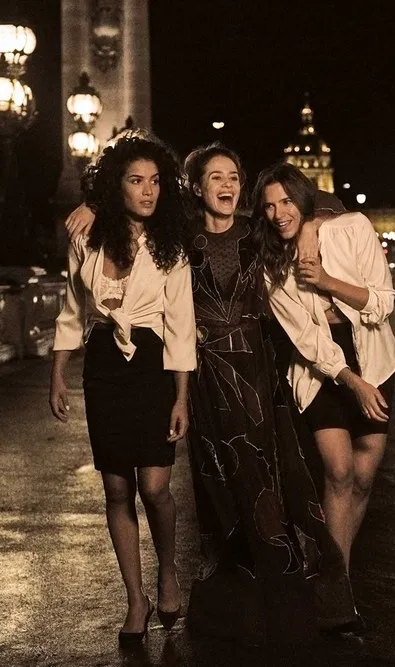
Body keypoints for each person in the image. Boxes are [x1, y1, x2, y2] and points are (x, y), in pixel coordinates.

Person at [62, 142, 358, 644]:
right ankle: (236, 611)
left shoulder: (258, 231)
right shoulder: (177, 236)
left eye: (234, 176)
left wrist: (309, 224)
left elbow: (326, 209)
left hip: (258, 378)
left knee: (274, 487)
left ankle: (300, 604)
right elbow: (130, 199)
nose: (227, 185)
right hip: (203, 382)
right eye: (215, 177)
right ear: (196, 187)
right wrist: (93, 203)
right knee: (219, 493)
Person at [50, 135, 197, 643]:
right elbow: (72, 309)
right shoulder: (86, 239)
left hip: (154, 365)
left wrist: (181, 397)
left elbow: (181, 326)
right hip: (103, 367)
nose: (148, 191)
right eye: (136, 180)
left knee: (155, 488)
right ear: (117, 186)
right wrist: (57, 373)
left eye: (155, 181)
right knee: (117, 489)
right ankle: (136, 600)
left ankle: (168, 572)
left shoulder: (170, 247)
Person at [252, 162, 395, 575]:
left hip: (376, 359)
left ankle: (333, 568)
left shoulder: (353, 228)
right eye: (269, 206)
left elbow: (382, 303)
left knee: (364, 478)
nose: (279, 213)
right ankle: (339, 587)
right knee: (339, 472)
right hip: (321, 371)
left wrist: (326, 281)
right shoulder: (271, 264)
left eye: (286, 202)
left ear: (304, 199)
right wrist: (352, 382)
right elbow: (307, 340)